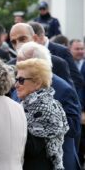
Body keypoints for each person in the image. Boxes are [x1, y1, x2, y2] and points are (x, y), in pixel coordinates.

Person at [13, 42, 81, 170]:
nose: (17, 64)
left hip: (55, 162)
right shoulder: (20, 86)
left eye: (23, 61)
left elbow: (74, 127)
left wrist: (45, 120)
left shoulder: (63, 89)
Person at [16, 58, 69, 170]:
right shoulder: (28, 105)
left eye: (21, 80)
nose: (16, 84)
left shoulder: (44, 107)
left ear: (37, 83)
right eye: (16, 79)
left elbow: (32, 148)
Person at [29, 22, 83, 100]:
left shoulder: (61, 51)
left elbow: (76, 79)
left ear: (36, 37)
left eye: (24, 39)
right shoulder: (26, 53)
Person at [9, 23, 74, 87]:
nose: (18, 44)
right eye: (14, 42)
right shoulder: (10, 67)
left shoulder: (58, 64)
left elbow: (67, 93)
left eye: (22, 39)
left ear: (35, 38)